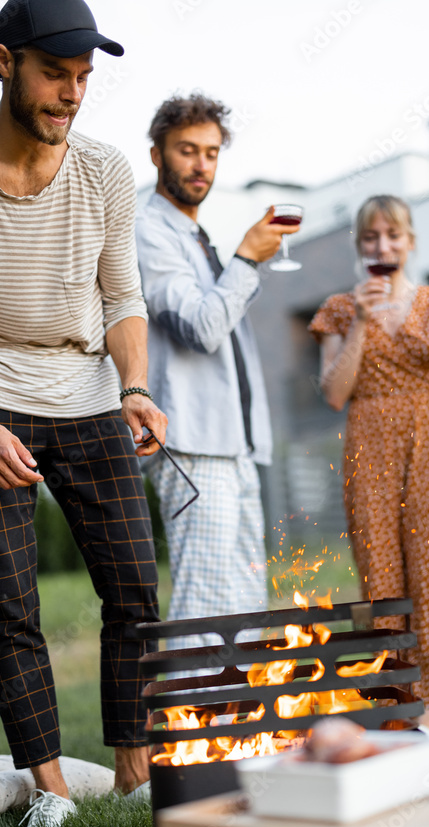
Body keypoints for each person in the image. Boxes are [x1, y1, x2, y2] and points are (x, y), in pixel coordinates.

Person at [0, 0, 168, 827]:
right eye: (56, 74)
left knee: (134, 593)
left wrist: (137, 387)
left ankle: (133, 775)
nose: (72, 94)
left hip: (87, 398)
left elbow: (122, 294)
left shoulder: (106, 171)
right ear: (6, 61)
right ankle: (49, 789)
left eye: (84, 79)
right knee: (12, 606)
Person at [309, 195, 429, 730]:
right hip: (370, 450)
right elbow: (334, 394)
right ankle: (395, 709)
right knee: (381, 582)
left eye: (392, 235)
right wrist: (361, 322)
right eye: (370, 238)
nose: (382, 246)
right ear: (360, 246)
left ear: (410, 241)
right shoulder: (341, 308)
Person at [136, 94, 300, 647]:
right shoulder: (147, 231)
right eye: (187, 150)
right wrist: (249, 257)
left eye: (211, 152)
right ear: (157, 153)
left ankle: (236, 730)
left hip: (236, 447)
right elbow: (202, 328)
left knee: (246, 605)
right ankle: (191, 734)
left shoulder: (196, 237)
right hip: (193, 445)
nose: (202, 164)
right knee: (203, 607)